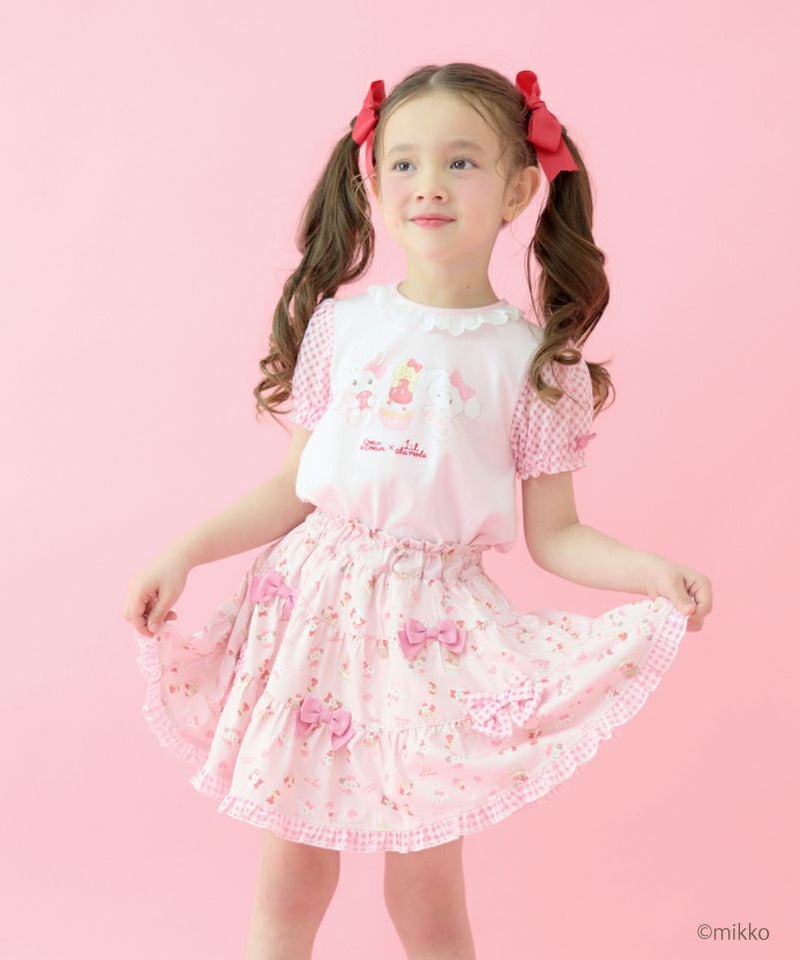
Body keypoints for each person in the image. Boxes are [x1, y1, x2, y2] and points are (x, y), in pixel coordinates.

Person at [123, 62, 713, 960]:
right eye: (404, 163)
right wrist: (184, 553)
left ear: (518, 188)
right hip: (312, 619)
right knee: (291, 877)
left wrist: (651, 573)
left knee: (427, 889)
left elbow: (557, 535)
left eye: (461, 162)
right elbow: (292, 487)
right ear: (373, 179)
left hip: (429, 638)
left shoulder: (534, 363)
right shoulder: (342, 328)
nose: (428, 184)